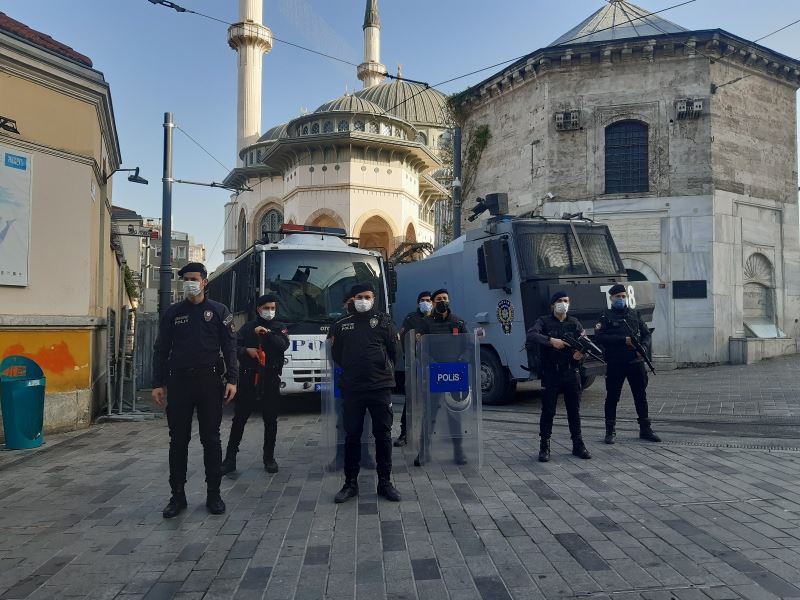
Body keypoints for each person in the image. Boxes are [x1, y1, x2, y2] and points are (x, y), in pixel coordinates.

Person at [151, 262, 238, 518]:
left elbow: (230, 347)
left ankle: (214, 495)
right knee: (178, 441)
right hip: (179, 384)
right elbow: (161, 349)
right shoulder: (173, 313)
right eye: (186, 278)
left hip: (210, 383)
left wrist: (232, 379)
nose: (189, 282)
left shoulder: (219, 311)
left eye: (194, 278)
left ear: (204, 282)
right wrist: (158, 383)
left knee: (211, 439)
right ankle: (177, 496)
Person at [330, 283, 400, 503]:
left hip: (380, 387)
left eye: (367, 296)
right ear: (352, 299)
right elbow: (337, 355)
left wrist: (379, 367)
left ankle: (385, 483)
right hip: (353, 388)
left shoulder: (384, 321)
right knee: (352, 436)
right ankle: (350, 484)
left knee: (383, 435)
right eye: (359, 296)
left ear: (374, 298)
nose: (363, 300)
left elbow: (394, 351)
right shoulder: (341, 324)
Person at [221, 294, 289, 475]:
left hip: (271, 378)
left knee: (270, 419)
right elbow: (234, 347)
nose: (269, 311)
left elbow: (283, 345)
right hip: (249, 378)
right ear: (259, 309)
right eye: (266, 308)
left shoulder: (279, 327)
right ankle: (230, 458)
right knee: (240, 419)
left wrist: (268, 334)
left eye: (272, 308)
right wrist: (247, 351)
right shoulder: (247, 327)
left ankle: (269, 458)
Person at [525, 291, 591, 462]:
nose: (563, 303)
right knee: (548, 411)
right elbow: (531, 335)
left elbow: (586, 346)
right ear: (553, 305)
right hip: (551, 373)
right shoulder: (543, 321)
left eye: (566, 301)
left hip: (571, 372)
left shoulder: (574, 323)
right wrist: (551, 341)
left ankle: (578, 444)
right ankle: (544, 446)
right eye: (560, 301)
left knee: (574, 411)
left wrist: (580, 355)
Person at [595, 284, 661, 444]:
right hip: (615, 362)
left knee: (640, 396)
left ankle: (645, 429)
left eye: (623, 296)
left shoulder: (634, 314)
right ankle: (610, 430)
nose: (621, 299)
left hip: (635, 361)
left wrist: (643, 348)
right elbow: (600, 337)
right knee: (612, 397)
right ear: (611, 298)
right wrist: (622, 340)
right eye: (618, 297)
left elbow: (646, 334)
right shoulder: (605, 316)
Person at [415, 288, 471, 466]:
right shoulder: (425, 323)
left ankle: (458, 451)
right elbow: (419, 348)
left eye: (445, 298)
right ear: (432, 302)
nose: (442, 301)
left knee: (454, 414)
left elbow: (468, 346)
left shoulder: (459, 322)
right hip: (434, 374)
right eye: (438, 299)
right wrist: (431, 363)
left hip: (454, 374)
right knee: (429, 414)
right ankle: (424, 452)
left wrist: (462, 360)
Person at [394, 290, 432, 447]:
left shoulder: (437, 317)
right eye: (423, 300)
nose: (426, 302)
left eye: (429, 300)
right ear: (418, 303)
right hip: (415, 365)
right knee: (410, 400)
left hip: (434, 366)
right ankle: (405, 433)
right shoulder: (411, 318)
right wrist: (410, 356)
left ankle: (432, 433)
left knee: (434, 401)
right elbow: (402, 338)